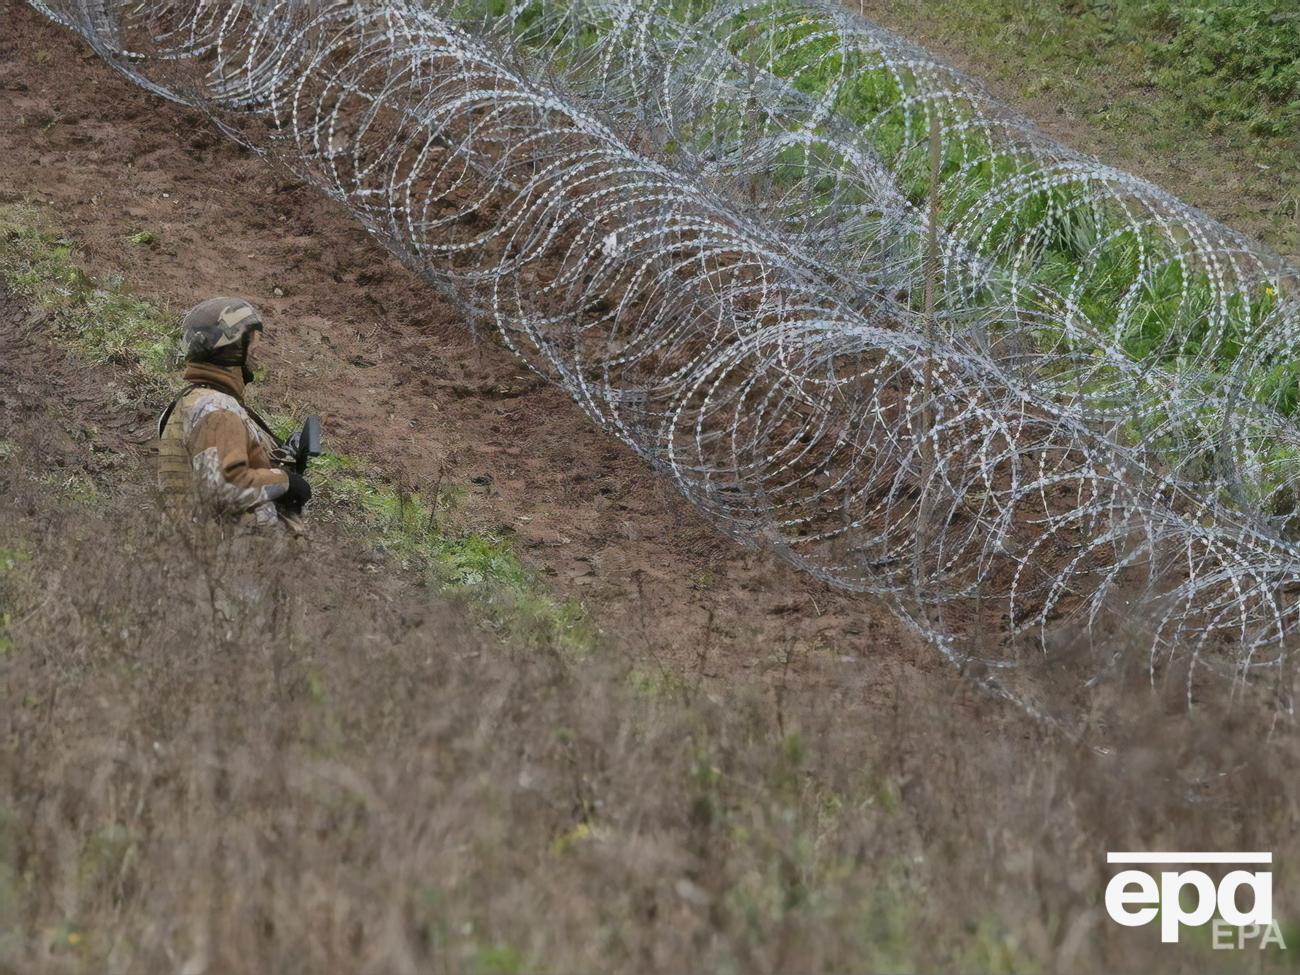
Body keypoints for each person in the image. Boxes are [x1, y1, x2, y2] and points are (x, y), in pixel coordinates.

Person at [157, 297, 312, 529]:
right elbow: (224, 488)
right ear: (230, 349)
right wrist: (286, 482)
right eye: (251, 344)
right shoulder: (217, 411)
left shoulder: (195, 402)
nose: (257, 353)